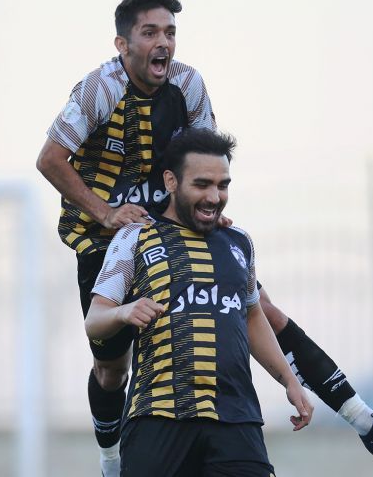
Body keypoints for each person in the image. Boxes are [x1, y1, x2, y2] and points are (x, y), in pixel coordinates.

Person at [37, 0, 373, 475]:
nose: (164, 42)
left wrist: (207, 202)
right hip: (103, 237)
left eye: (170, 33)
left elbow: (206, 154)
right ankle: (111, 462)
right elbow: (50, 159)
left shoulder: (188, 84)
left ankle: (365, 419)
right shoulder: (99, 89)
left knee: (259, 308)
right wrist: (106, 213)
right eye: (150, 32)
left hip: (172, 229)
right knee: (112, 370)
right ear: (123, 44)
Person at [85, 128, 313, 476]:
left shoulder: (238, 242)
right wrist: (124, 311)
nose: (214, 197)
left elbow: (252, 316)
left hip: (235, 418)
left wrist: (289, 380)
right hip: (158, 418)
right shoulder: (135, 236)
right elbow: (94, 321)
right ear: (171, 181)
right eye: (202, 184)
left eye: (223, 186)